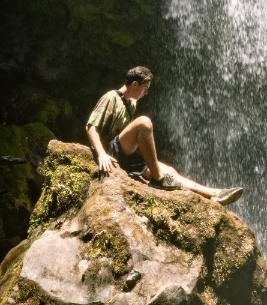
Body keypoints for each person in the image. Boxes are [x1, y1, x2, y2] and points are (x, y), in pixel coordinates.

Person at [86, 65, 243, 205]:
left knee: (170, 171)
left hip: (125, 155)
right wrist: (101, 155)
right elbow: (91, 127)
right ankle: (157, 178)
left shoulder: (131, 104)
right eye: (145, 88)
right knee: (144, 122)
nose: (146, 93)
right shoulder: (111, 97)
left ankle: (214, 194)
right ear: (135, 84)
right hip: (110, 151)